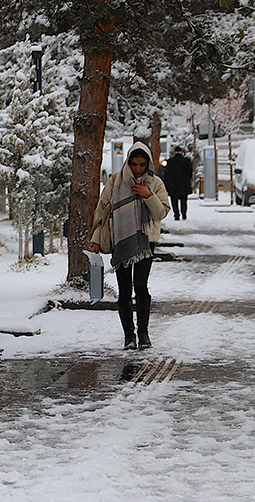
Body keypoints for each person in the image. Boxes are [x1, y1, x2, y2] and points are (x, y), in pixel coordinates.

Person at [90, 142, 170, 350]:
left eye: (142, 164)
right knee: (124, 290)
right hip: (121, 239)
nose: (137, 169)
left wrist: (147, 195)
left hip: (145, 241)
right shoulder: (115, 181)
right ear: (128, 162)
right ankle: (128, 336)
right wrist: (96, 240)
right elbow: (102, 212)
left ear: (147, 164)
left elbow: (161, 213)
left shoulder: (155, 183)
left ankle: (143, 334)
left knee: (141, 287)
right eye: (134, 164)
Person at [162, 146, 193, 221]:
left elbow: (166, 174)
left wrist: (168, 184)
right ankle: (184, 214)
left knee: (174, 200)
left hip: (173, 185)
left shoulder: (170, 161)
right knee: (184, 200)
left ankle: (176, 214)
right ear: (182, 152)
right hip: (183, 184)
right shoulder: (186, 161)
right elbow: (190, 173)